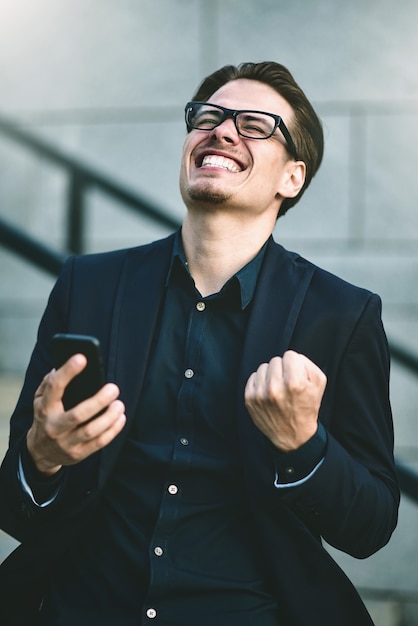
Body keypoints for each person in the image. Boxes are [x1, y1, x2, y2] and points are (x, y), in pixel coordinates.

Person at [0, 61, 399, 626]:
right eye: (208, 117)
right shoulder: (87, 286)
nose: (222, 130)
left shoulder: (342, 315)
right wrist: (42, 459)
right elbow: (15, 506)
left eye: (256, 125)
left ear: (292, 178)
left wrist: (305, 445)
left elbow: (371, 527)